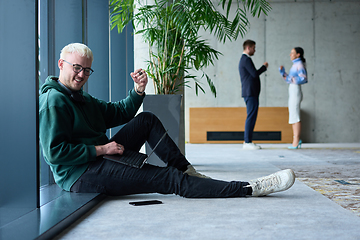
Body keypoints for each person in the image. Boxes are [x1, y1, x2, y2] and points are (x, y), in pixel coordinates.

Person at [39, 42, 295, 199]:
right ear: (62, 64)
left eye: (86, 69)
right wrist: (101, 149)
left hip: (100, 157)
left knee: (146, 120)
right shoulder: (55, 101)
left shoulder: (80, 97)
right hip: (81, 174)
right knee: (168, 180)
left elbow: (119, 113)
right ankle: (249, 188)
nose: (82, 74)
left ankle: (189, 172)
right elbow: (55, 153)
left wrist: (138, 90)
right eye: (77, 68)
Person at [238, 40, 268, 150]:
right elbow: (254, 74)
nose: (255, 50)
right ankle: (247, 141)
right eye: (254, 48)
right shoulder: (246, 59)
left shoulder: (245, 59)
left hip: (251, 93)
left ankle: (248, 141)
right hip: (250, 93)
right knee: (251, 116)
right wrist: (264, 67)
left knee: (252, 116)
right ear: (248, 48)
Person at [279, 47, 308, 149]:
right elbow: (289, 80)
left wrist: (290, 78)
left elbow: (303, 78)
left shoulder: (299, 64)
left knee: (295, 115)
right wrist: (283, 73)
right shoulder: (295, 65)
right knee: (292, 114)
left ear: (298, 54)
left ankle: (296, 140)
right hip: (292, 89)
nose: (290, 55)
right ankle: (295, 139)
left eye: (292, 53)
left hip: (295, 90)